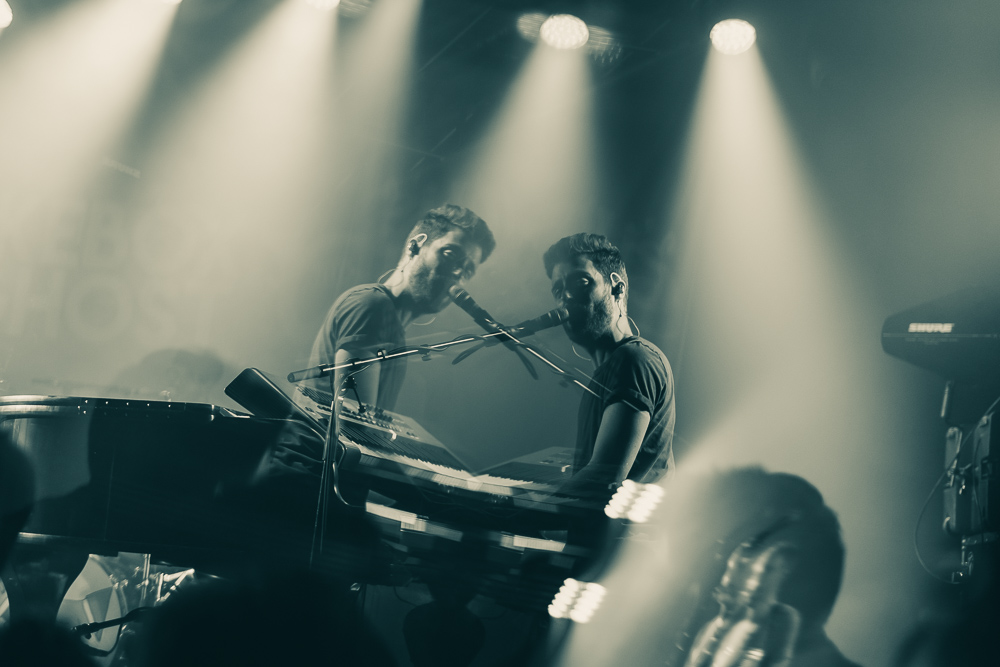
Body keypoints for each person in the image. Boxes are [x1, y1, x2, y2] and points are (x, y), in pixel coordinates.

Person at [297, 203, 496, 415]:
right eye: (450, 254)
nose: (457, 272)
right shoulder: (373, 305)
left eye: (467, 270)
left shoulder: (392, 327)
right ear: (415, 246)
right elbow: (355, 423)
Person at [542, 233, 675, 492]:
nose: (566, 296)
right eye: (558, 289)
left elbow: (601, 478)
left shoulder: (635, 359)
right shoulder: (611, 369)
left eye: (580, 282)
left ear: (618, 287)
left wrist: (512, 514)